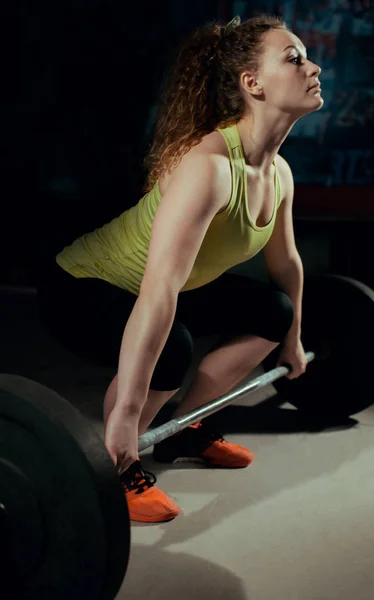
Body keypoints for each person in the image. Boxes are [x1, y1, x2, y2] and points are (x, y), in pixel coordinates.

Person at [43, 15, 323, 523]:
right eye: (294, 58)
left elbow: (286, 262)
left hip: (167, 285)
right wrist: (126, 415)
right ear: (252, 84)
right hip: (83, 285)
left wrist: (293, 338)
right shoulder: (210, 168)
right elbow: (159, 290)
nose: (313, 67)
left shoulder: (278, 173)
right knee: (172, 348)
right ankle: (117, 465)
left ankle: (187, 428)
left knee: (272, 311)